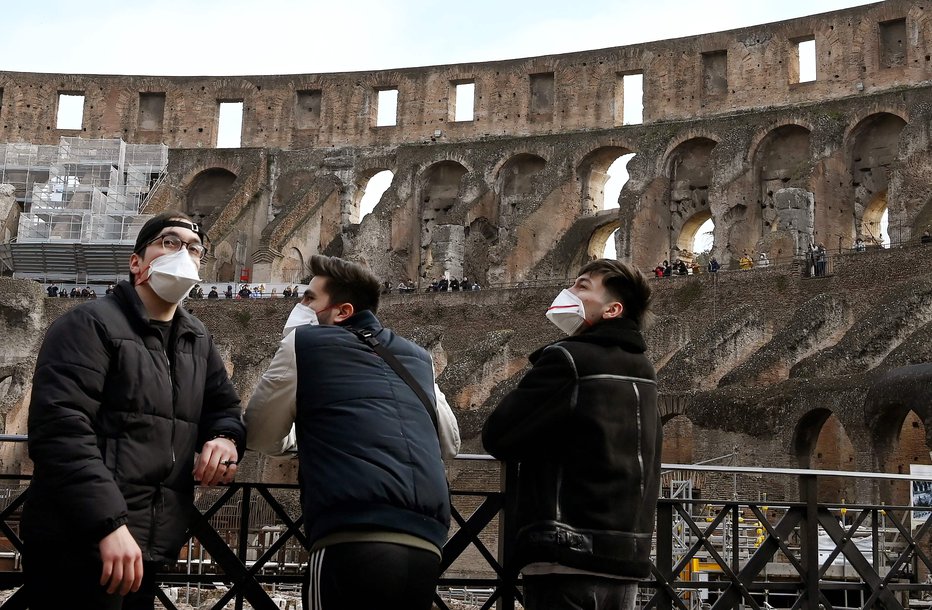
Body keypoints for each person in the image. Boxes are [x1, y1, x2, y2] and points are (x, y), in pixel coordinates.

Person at [21, 211, 245, 610]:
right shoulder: (87, 325)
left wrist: (226, 438)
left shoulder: (196, 338)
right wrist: (108, 525)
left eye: (195, 249)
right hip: (79, 540)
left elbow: (224, 406)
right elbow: (61, 431)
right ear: (137, 261)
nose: (184, 254)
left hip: (147, 544)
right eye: (169, 242)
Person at [245, 254, 459, 610]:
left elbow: (260, 435)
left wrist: (304, 440)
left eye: (309, 298)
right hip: (427, 543)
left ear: (342, 311)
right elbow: (448, 443)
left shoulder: (305, 345)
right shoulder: (417, 357)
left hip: (351, 535)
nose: (299, 304)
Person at [482, 258, 661, 610]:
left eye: (582, 286)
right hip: (628, 555)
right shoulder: (645, 369)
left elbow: (498, 435)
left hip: (568, 549)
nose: (569, 291)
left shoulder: (568, 359)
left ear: (612, 309)